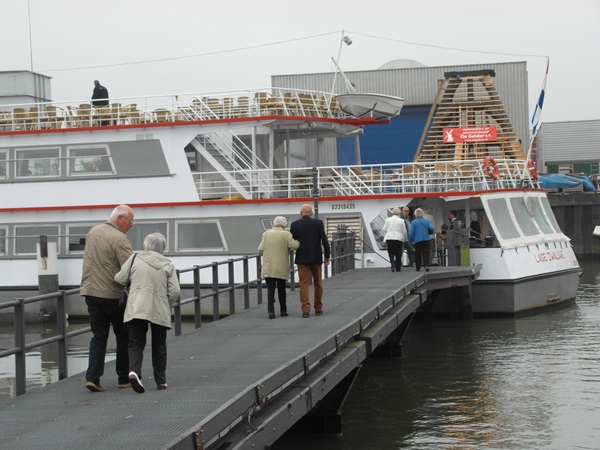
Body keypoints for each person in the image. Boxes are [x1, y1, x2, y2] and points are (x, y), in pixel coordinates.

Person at [115, 232, 180, 394]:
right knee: (159, 344)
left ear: (145, 246)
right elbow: (175, 291)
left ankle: (134, 372)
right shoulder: (168, 264)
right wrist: (166, 304)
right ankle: (161, 381)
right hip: (159, 307)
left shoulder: (135, 259)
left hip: (137, 306)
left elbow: (120, 279)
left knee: (135, 342)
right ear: (163, 247)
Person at [80, 204, 134, 392]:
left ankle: (92, 378)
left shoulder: (93, 232)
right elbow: (129, 269)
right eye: (130, 220)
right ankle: (123, 378)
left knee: (98, 336)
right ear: (120, 218)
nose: (132, 225)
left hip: (90, 292)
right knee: (123, 335)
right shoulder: (120, 238)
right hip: (112, 294)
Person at [290, 204, 331, 318]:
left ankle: (305, 310)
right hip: (316, 257)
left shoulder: (294, 225)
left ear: (300, 213)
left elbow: (292, 242)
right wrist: (327, 256)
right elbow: (324, 240)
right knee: (318, 283)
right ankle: (318, 308)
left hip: (302, 258)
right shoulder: (318, 223)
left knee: (303, 284)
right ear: (311, 213)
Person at [258, 216, 300, 319]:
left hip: (268, 266)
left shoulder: (266, 234)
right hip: (281, 266)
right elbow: (294, 246)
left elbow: (260, 250)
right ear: (284, 224)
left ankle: (271, 312)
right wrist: (298, 241)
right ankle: (283, 311)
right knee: (282, 290)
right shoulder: (286, 234)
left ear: (275, 223)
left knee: (270, 290)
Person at [408, 207, 435, 272]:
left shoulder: (414, 222)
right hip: (426, 239)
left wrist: (410, 240)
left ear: (415, 214)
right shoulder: (426, 220)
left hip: (417, 240)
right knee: (426, 252)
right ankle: (426, 265)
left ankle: (418, 267)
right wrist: (429, 232)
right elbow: (431, 228)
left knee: (418, 253)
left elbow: (411, 232)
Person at [382, 207, 408, 272]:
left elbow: (384, 229)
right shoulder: (401, 220)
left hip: (389, 237)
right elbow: (404, 231)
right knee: (398, 253)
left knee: (391, 252)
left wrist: (389, 231)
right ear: (399, 213)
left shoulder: (388, 219)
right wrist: (405, 238)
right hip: (398, 237)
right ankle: (398, 267)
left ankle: (392, 264)